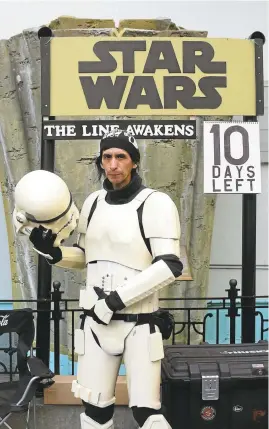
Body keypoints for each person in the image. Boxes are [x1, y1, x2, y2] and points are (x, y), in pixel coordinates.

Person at [15, 129, 183, 429]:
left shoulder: (156, 203)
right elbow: (86, 255)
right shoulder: (93, 202)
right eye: (107, 157)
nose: (113, 164)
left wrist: (115, 300)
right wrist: (54, 254)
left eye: (121, 157)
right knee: (94, 411)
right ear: (100, 161)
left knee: (148, 413)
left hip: (139, 325)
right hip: (95, 325)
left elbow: (169, 265)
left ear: (134, 162)